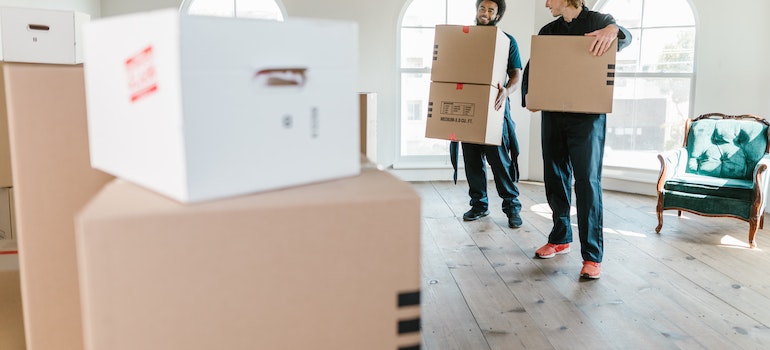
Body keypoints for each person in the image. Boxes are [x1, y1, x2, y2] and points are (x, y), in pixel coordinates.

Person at [520, 0, 632, 279]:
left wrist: (614, 30)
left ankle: (592, 256)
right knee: (555, 176)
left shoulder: (599, 21)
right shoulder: (548, 31)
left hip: (588, 118)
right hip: (554, 115)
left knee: (587, 182)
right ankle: (560, 237)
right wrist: (529, 97)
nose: (546, 3)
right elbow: (534, 68)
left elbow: (625, 38)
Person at [453, 0, 523, 229]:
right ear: (477, 10)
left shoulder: (506, 41)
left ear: (497, 15)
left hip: (494, 107)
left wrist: (507, 91)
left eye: (491, 10)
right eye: (482, 8)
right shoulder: (465, 37)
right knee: (472, 161)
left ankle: (512, 207)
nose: (485, 13)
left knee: (500, 161)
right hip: (469, 106)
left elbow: (516, 75)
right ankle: (479, 205)